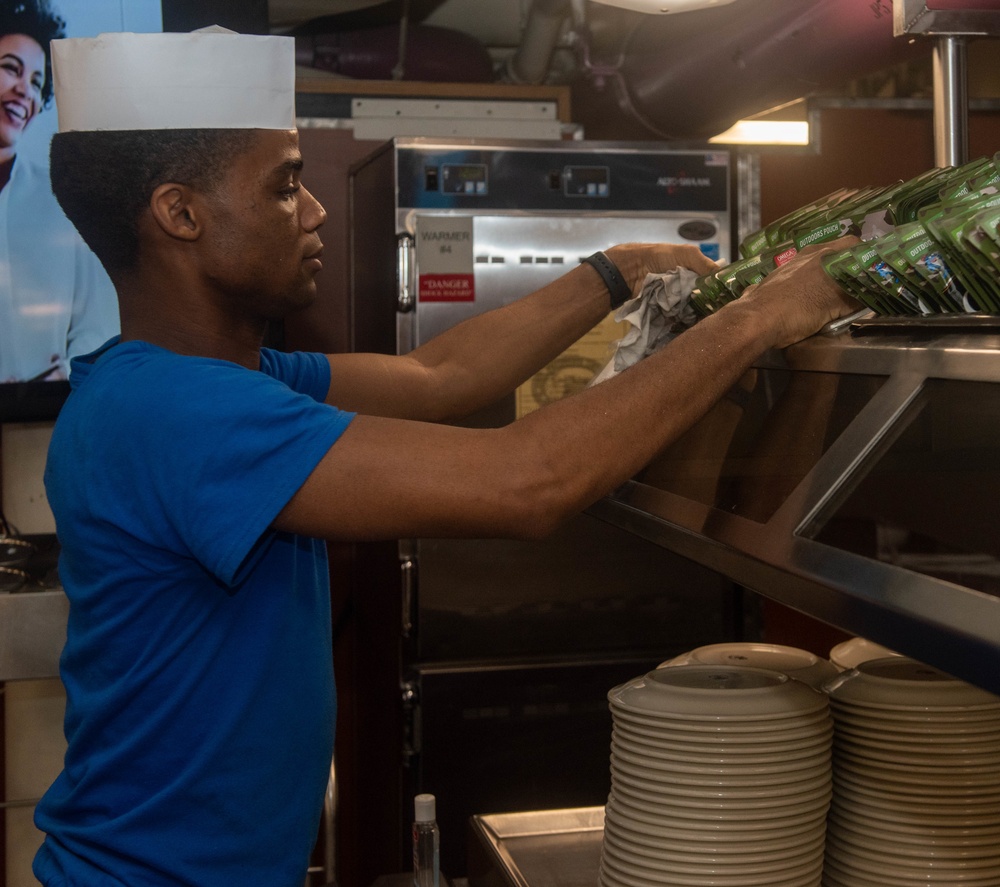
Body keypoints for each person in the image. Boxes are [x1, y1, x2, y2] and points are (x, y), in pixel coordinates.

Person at [34, 28, 860, 887]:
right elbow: (525, 484)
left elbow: (443, 374)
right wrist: (764, 315)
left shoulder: (218, 380)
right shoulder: (176, 413)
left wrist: (621, 268)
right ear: (180, 214)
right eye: (284, 187)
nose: (313, 210)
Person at [0, 0, 117, 382]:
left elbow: (97, 323)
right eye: (10, 69)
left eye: (36, 83)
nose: (24, 91)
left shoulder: (60, 201)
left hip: (40, 421)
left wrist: (64, 376)